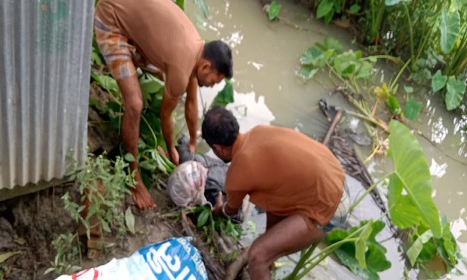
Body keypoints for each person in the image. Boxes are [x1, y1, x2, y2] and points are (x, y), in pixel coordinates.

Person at [94, 0, 233, 209]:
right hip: (111, 20)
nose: (212, 84)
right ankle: (134, 178)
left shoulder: (196, 49)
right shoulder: (182, 65)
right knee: (134, 104)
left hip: (129, 20)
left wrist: (193, 143)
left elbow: (192, 102)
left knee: (166, 74)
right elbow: (165, 115)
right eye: (215, 80)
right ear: (206, 66)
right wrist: (172, 151)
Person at [201, 106, 347, 280]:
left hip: (331, 208)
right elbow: (275, 197)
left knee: (257, 255)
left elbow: (230, 210)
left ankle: (263, 265)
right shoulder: (259, 131)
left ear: (218, 148)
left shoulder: (238, 171)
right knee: (268, 239)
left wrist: (219, 210)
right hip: (339, 181)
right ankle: (268, 268)